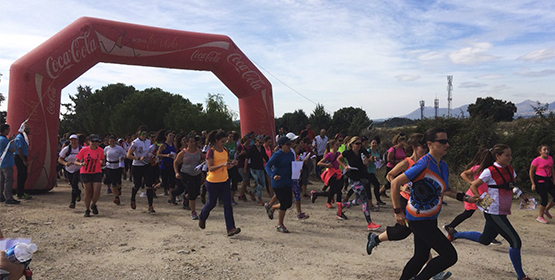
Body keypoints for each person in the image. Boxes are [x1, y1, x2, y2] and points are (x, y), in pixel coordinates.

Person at [391, 127, 476, 280]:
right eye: (443, 141)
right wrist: (397, 211)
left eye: (447, 141)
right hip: (418, 219)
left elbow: (446, 189)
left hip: (430, 218)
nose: (447, 145)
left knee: (421, 256)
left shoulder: (443, 165)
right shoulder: (423, 164)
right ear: (430, 144)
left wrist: (465, 198)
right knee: (450, 256)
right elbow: (395, 182)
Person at [449, 144, 531, 280]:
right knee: (515, 242)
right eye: (507, 155)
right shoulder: (489, 171)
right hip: (493, 212)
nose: (510, 158)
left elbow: (512, 187)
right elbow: (474, 185)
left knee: (485, 239)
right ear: (498, 156)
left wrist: (522, 195)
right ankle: (521, 276)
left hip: (502, 211)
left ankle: (455, 234)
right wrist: (481, 199)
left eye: (510, 154)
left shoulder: (510, 170)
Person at [442, 149, 502, 245]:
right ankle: (450, 226)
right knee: (469, 213)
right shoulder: (478, 168)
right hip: (475, 194)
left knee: (488, 215)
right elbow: (463, 174)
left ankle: (490, 236)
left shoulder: (492, 170)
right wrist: (471, 182)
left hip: (485, 195)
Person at [198, 130, 241, 236]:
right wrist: (222, 164)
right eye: (222, 141)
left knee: (227, 204)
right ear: (216, 141)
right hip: (213, 181)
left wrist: (232, 164)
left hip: (224, 180)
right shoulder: (211, 151)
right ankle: (202, 216)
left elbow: (226, 165)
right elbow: (211, 168)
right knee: (212, 203)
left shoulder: (225, 150)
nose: (224, 143)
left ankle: (230, 228)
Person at [337, 136, 380, 230]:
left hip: (362, 177)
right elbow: (339, 159)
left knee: (358, 201)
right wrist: (344, 166)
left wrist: (367, 161)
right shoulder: (347, 153)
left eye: (360, 143)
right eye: (357, 143)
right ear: (352, 144)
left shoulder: (362, 152)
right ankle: (369, 223)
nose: (359, 145)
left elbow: (368, 160)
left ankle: (341, 206)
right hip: (353, 178)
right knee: (364, 198)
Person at [265, 136, 296, 233]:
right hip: (278, 182)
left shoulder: (291, 154)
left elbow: (292, 165)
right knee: (283, 203)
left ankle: (272, 207)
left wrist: (297, 170)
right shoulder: (277, 154)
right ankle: (280, 225)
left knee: (289, 203)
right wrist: (272, 175)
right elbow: (267, 165)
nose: (289, 146)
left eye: (290, 144)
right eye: (287, 144)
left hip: (288, 181)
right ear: (281, 145)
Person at [173, 135, 205, 220]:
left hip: (197, 173)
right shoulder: (183, 153)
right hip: (186, 173)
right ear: (186, 143)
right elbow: (176, 163)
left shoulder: (199, 152)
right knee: (192, 193)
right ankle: (193, 212)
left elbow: (205, 159)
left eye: (194, 142)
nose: (192, 143)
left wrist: (202, 162)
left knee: (196, 192)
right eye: (190, 142)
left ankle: (185, 196)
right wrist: (176, 172)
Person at [127, 126, 156, 213]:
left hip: (146, 165)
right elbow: (128, 155)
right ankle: (133, 198)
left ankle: (150, 205)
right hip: (137, 165)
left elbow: (148, 152)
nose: (144, 135)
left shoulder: (148, 142)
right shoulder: (135, 143)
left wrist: (151, 156)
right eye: (143, 134)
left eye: (145, 134)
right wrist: (138, 158)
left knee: (149, 185)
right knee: (137, 184)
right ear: (139, 134)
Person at [312, 139, 344, 218]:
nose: (338, 146)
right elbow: (319, 163)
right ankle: (339, 211)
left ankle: (316, 194)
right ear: (332, 146)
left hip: (337, 174)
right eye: (336, 145)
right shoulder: (329, 155)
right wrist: (327, 165)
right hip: (331, 174)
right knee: (338, 192)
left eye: (338, 145)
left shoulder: (339, 154)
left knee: (332, 191)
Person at [75, 134, 105, 217]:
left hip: (97, 172)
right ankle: (87, 209)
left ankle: (94, 204)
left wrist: (102, 162)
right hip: (85, 172)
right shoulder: (84, 150)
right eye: (93, 141)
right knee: (88, 191)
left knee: (97, 191)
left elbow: (102, 159)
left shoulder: (100, 150)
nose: (95, 143)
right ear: (88, 141)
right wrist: (81, 163)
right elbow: (76, 161)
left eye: (96, 141)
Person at [529, 145, 555, 224]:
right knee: (544, 198)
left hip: (548, 179)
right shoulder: (536, 160)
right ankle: (540, 216)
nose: (546, 151)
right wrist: (533, 183)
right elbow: (531, 172)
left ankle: (546, 210)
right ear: (540, 151)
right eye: (544, 150)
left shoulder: (550, 158)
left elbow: (552, 169)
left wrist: (554, 179)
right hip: (540, 180)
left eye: (547, 149)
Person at [58, 134, 82, 208]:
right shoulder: (66, 149)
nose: (73, 142)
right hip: (69, 169)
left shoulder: (81, 149)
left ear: (78, 141)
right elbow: (60, 159)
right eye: (72, 140)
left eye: (75, 140)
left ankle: (72, 202)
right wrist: (65, 163)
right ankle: (78, 192)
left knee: (74, 184)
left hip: (78, 169)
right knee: (72, 184)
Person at [380, 133, 406, 198]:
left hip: (400, 168)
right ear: (398, 141)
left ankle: (399, 195)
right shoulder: (392, 149)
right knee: (390, 182)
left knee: (399, 182)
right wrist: (398, 161)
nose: (404, 142)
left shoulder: (403, 149)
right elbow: (389, 159)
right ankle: (381, 192)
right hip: (391, 167)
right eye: (402, 141)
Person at [245, 135, 269, 205]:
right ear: (256, 141)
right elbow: (247, 158)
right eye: (260, 142)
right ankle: (259, 199)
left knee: (262, 183)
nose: (261, 144)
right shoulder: (252, 148)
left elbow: (265, 157)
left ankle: (252, 192)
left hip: (261, 168)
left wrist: (270, 164)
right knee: (258, 184)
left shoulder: (262, 148)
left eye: (262, 142)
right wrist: (245, 168)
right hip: (254, 168)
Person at [104, 135, 127, 205]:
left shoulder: (119, 148)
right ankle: (116, 197)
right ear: (108, 142)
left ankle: (119, 188)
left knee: (118, 181)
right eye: (110, 141)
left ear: (115, 141)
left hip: (117, 166)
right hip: (109, 166)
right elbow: (103, 155)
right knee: (113, 182)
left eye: (113, 141)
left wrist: (123, 157)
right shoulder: (106, 148)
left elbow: (125, 154)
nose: (112, 143)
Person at [0, 124, 19, 205]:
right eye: (8, 129)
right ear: (5, 130)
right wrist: (13, 141)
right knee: (8, 181)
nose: (9, 131)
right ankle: (9, 198)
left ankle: (1, 196)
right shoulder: (5, 140)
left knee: (1, 181)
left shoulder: (2, 139)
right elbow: (12, 149)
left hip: (1, 163)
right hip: (7, 163)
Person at [13, 123, 32, 200]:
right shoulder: (19, 138)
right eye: (27, 129)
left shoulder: (24, 137)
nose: (28, 131)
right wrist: (24, 160)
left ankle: (21, 191)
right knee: (21, 175)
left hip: (23, 157)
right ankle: (19, 193)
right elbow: (19, 150)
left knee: (24, 175)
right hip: (19, 157)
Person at [367, 137, 386, 206]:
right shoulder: (368, 151)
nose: (374, 144)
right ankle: (374, 201)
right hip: (368, 170)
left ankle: (377, 200)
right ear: (370, 144)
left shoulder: (377, 151)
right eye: (373, 143)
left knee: (375, 185)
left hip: (373, 170)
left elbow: (378, 159)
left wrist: (381, 162)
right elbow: (366, 159)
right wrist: (371, 158)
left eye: (376, 143)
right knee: (375, 184)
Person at [157, 131, 177, 198]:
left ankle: (171, 199)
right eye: (170, 135)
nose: (171, 137)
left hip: (171, 165)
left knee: (172, 183)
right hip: (164, 166)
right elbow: (158, 154)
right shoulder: (163, 145)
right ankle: (153, 188)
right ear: (166, 136)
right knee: (164, 183)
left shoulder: (173, 145)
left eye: (172, 136)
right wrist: (166, 155)